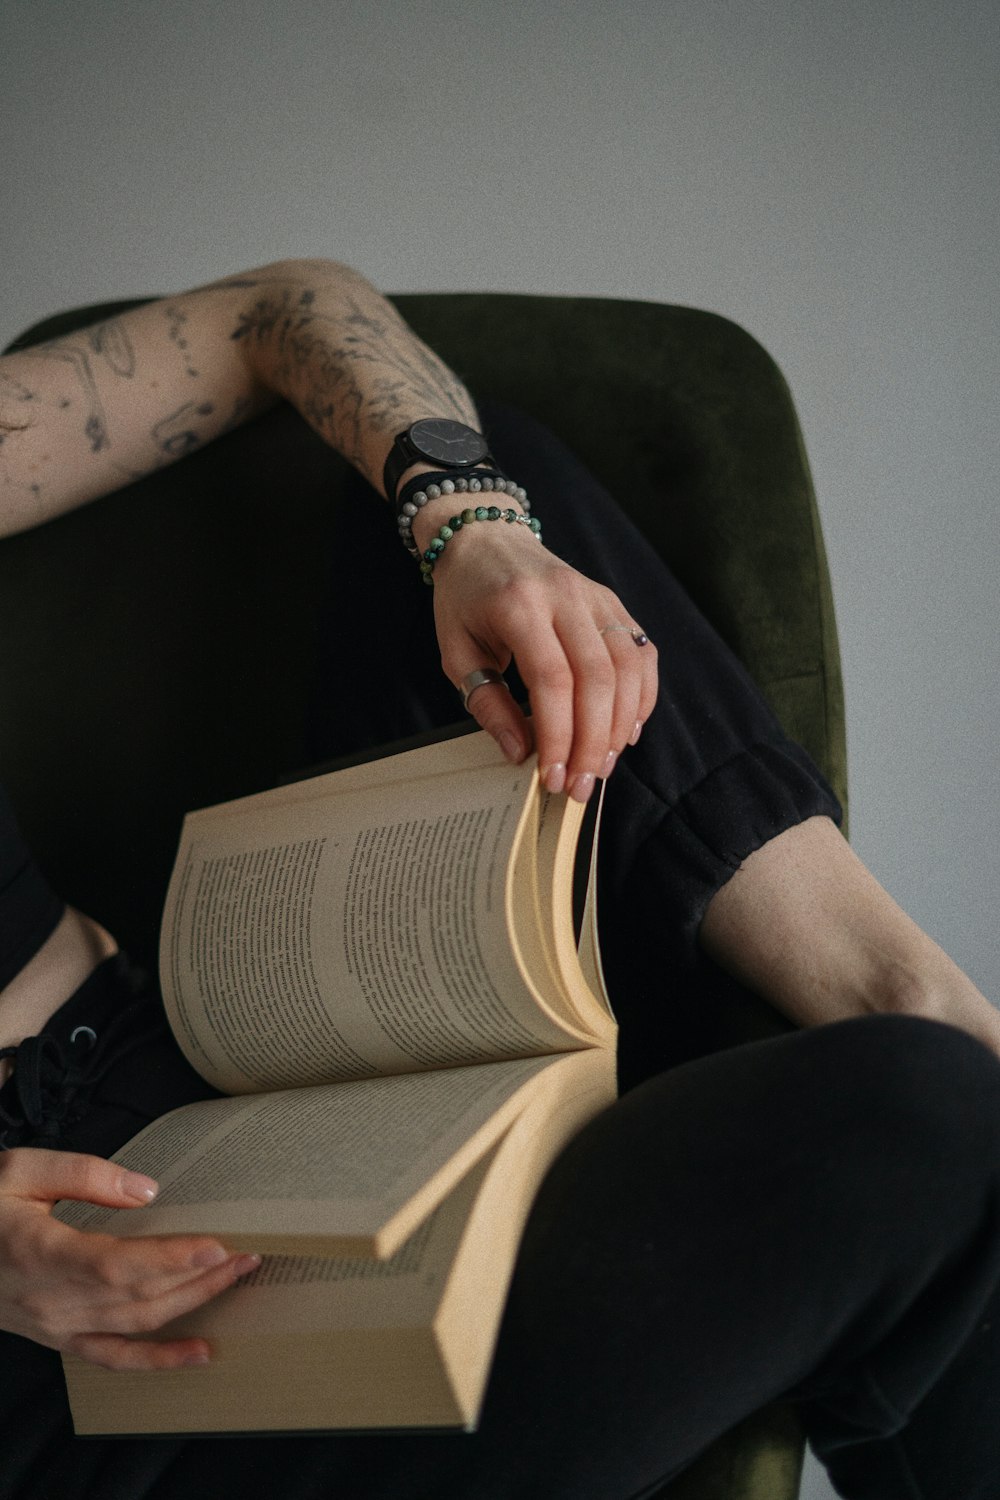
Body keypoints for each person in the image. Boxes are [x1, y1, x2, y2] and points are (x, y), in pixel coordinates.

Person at [1, 258, 998, 1500]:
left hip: (203, 1068)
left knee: (472, 486)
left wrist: (471, 529)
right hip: (68, 1378)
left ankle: (902, 985)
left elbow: (284, 309)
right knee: (924, 1120)